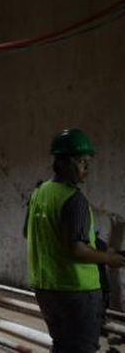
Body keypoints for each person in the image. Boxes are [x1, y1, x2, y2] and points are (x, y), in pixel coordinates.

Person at [25, 129, 125, 352]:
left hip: (46, 290)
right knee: (81, 348)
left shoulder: (38, 193)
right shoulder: (74, 198)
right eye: (81, 162)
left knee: (62, 345)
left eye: (88, 162)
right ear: (61, 163)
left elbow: (39, 234)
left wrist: (99, 246)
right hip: (76, 291)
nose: (86, 168)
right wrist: (109, 258)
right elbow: (77, 250)